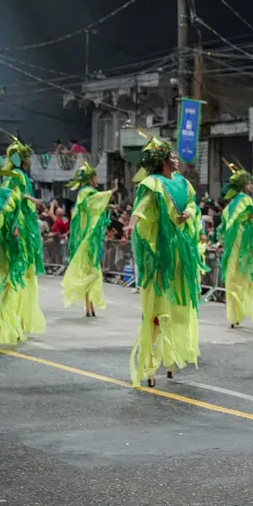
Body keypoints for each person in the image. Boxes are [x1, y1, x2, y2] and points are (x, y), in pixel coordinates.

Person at [125, 136, 203, 388]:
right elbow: (143, 205)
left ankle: (170, 360)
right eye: (172, 156)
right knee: (158, 311)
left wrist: (188, 213)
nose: (176, 159)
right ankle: (149, 366)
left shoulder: (182, 182)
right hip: (161, 255)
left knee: (178, 306)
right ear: (162, 161)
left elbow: (192, 203)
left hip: (181, 253)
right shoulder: (152, 183)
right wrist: (132, 222)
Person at [0, 139, 45, 337]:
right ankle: (15, 320)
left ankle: (17, 320)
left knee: (21, 272)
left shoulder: (14, 176)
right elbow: (13, 196)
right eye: (26, 158)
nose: (29, 161)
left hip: (21, 224)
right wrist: (30, 199)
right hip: (19, 225)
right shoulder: (17, 175)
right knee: (22, 271)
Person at [61, 163, 118, 317]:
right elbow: (95, 201)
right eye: (95, 177)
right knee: (89, 270)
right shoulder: (86, 192)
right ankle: (88, 305)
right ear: (90, 178)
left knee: (93, 270)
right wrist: (111, 191)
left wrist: (110, 207)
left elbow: (96, 205)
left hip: (92, 238)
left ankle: (90, 305)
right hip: (86, 237)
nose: (97, 179)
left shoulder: (88, 193)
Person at [218, 164, 253, 328]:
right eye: (249, 183)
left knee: (232, 274)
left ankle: (234, 314)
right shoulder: (246, 199)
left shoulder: (231, 204)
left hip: (231, 242)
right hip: (241, 241)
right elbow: (250, 219)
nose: (251, 186)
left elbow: (224, 223)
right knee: (243, 274)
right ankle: (238, 312)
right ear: (244, 185)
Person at [0, 162, 25, 351]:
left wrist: (15, 228)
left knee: (2, 287)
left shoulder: (4, 195)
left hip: (1, 248)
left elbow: (14, 214)